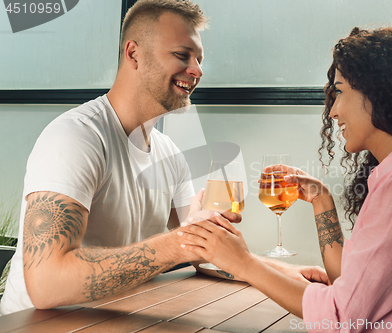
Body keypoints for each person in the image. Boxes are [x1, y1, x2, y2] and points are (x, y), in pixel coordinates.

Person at [0, 0, 327, 315]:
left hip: (113, 318)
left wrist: (285, 272)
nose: (197, 70)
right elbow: (46, 284)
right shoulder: (76, 137)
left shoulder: (168, 153)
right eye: (182, 55)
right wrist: (180, 243)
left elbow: (205, 251)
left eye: (199, 59)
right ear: (134, 54)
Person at [178, 25, 392, 332]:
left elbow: (341, 317)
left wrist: (243, 262)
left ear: (381, 94)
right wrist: (321, 201)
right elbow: (352, 282)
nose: (332, 112)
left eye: (341, 93)